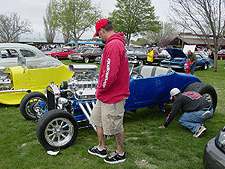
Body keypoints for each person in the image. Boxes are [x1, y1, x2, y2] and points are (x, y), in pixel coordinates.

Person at [88, 18, 130, 164]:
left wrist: (101, 88)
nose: (99, 37)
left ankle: (120, 153)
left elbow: (110, 74)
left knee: (116, 126)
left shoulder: (114, 45)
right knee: (97, 121)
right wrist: (101, 91)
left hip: (113, 95)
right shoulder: (113, 44)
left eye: (98, 34)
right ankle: (101, 148)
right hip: (105, 95)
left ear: (102, 30)